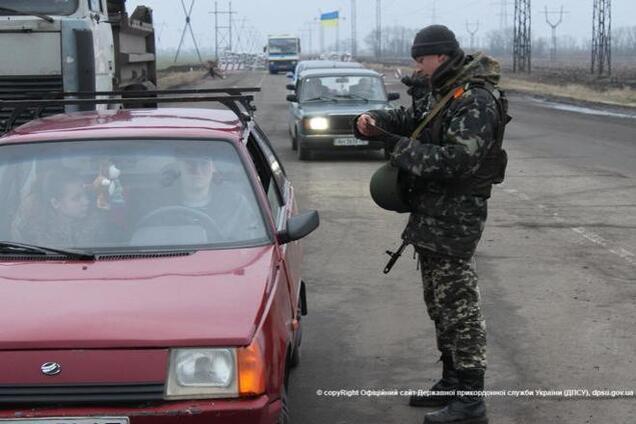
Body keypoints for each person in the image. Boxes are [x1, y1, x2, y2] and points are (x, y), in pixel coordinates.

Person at [355, 25, 509, 424]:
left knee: (460, 308)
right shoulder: (445, 92)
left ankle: (470, 401)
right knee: (439, 304)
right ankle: (452, 382)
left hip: (455, 219)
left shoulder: (474, 99)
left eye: (420, 59)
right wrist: (378, 120)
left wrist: (395, 144)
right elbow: (414, 119)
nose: (416, 67)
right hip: (431, 216)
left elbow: (457, 162)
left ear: (439, 56)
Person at [11, 168, 104, 248]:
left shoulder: (99, 228)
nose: (86, 201)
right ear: (55, 203)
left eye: (85, 195)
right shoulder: (32, 237)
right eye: (76, 198)